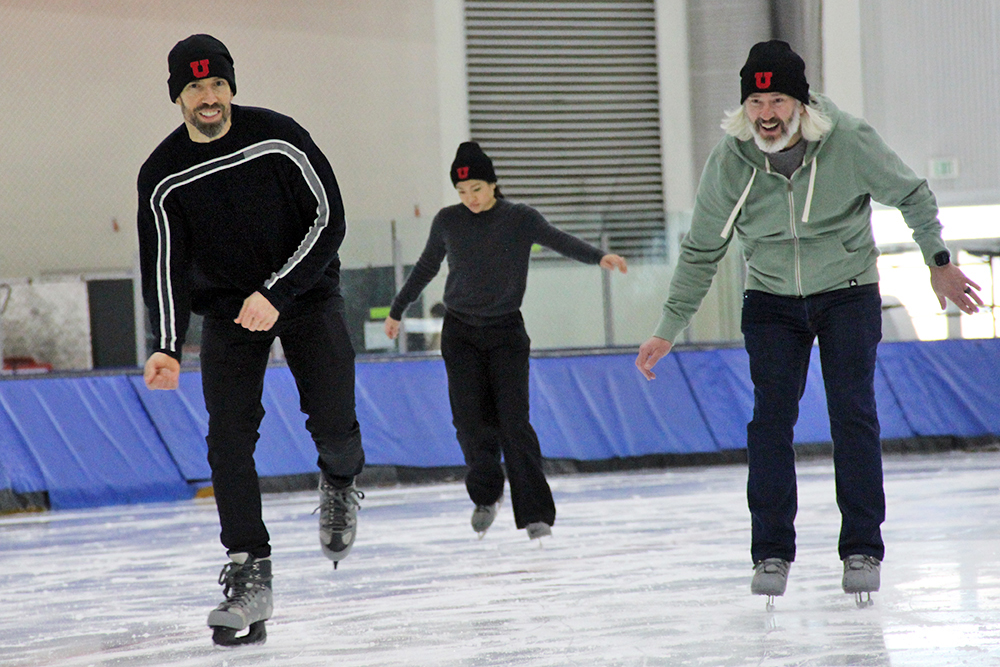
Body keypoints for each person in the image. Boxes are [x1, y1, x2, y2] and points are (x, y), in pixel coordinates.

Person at [634, 40, 983, 607]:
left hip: (847, 292)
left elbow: (913, 196)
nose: (765, 114)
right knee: (770, 421)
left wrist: (938, 261)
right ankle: (771, 551)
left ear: (800, 102)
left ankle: (861, 547)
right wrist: (667, 327)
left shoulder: (848, 141)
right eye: (754, 101)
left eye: (775, 100)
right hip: (771, 299)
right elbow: (702, 249)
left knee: (853, 414)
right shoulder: (731, 159)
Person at [137, 34, 365, 645]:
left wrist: (278, 293)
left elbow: (330, 220)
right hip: (228, 313)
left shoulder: (278, 137)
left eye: (216, 85)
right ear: (177, 97)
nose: (207, 98)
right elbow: (163, 265)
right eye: (193, 88)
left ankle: (340, 482)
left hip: (305, 292)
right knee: (227, 438)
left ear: (231, 87)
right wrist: (164, 342)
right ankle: (249, 572)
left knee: (334, 424)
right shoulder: (162, 177)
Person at [385, 142, 628, 541]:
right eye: (462, 193)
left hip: (505, 334)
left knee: (514, 424)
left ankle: (536, 514)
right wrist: (397, 309)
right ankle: (486, 494)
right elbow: (427, 266)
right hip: (460, 333)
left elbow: (558, 239)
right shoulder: (448, 221)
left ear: (493, 183)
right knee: (469, 422)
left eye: (476, 189)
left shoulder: (519, 218)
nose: (470, 199)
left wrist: (599, 257)